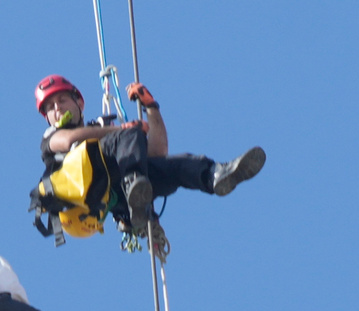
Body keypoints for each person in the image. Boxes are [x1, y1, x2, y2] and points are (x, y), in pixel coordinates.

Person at [33, 74, 267, 237]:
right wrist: (122, 130)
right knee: (129, 137)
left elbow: (156, 152)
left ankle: (214, 176)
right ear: (47, 118)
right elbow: (68, 141)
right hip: (87, 193)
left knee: (175, 165)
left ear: (79, 102)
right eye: (50, 107)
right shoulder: (50, 138)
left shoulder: (106, 132)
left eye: (62, 100)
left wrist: (151, 107)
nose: (57, 108)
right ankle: (135, 185)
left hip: (116, 189)